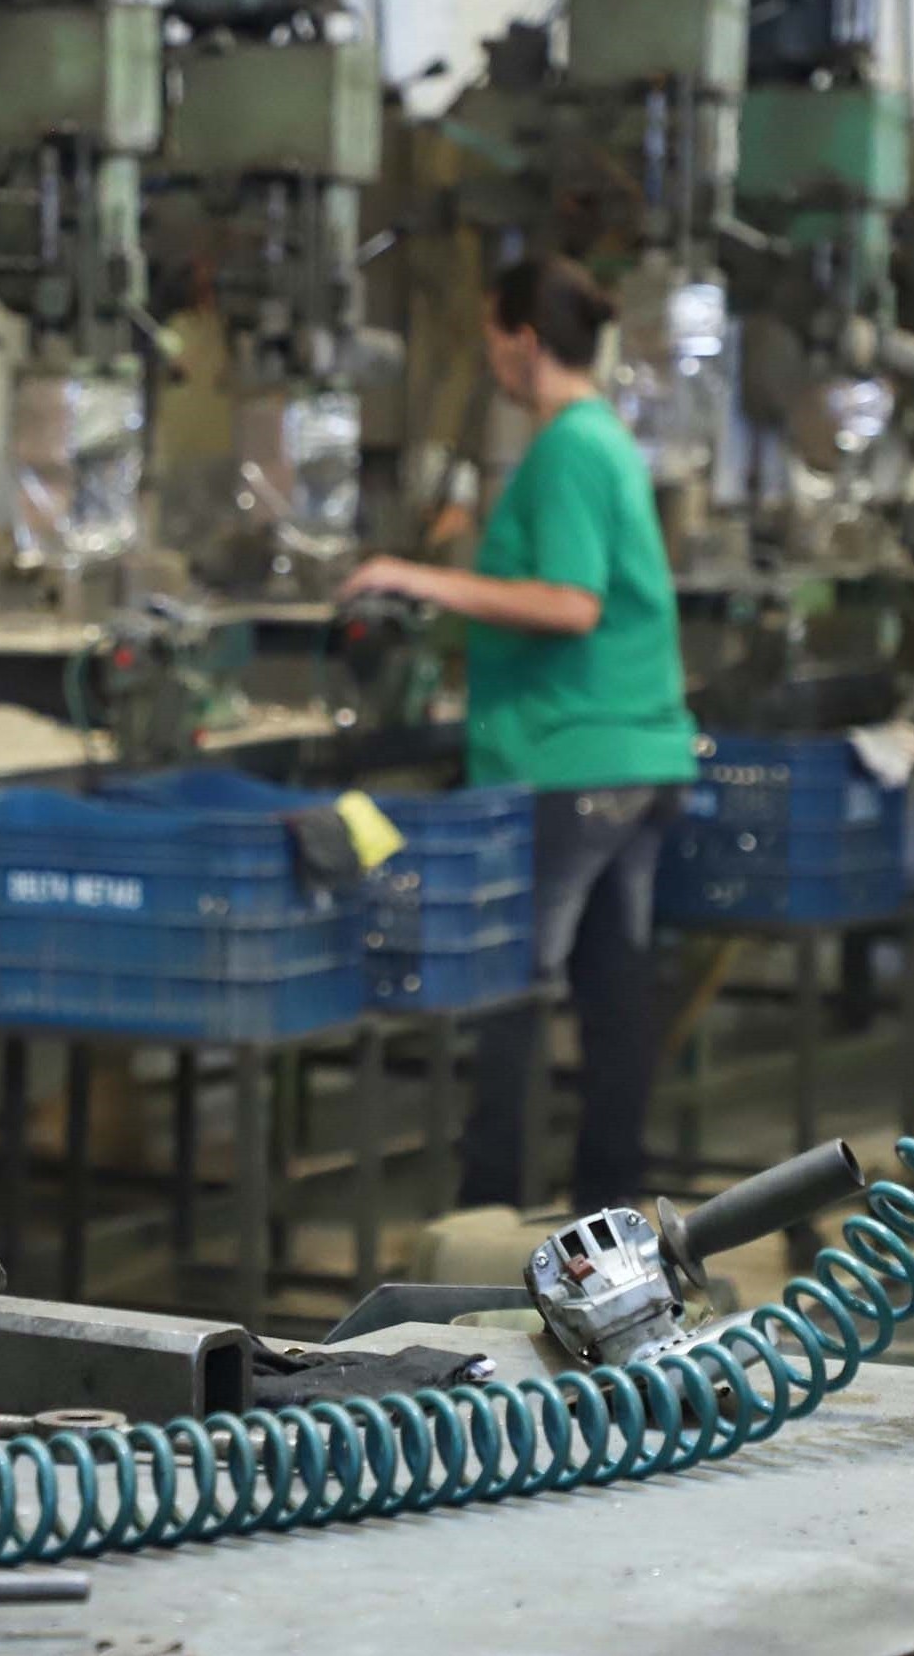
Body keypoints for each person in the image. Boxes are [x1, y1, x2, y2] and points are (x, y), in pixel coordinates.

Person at [340, 255, 696, 1211]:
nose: (489, 356)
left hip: (573, 759)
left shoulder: (571, 447)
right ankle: (610, 1204)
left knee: (513, 991)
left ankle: (492, 1208)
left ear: (523, 341)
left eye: (491, 336)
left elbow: (571, 603)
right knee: (612, 992)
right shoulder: (602, 437)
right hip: (635, 755)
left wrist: (419, 580)